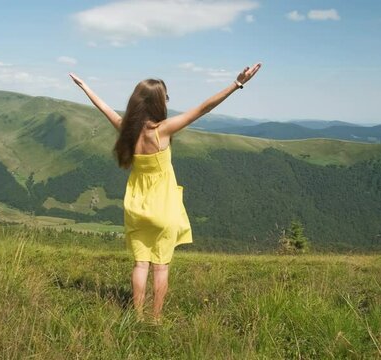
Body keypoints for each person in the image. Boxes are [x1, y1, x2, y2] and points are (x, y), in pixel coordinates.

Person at [68, 63, 262, 322]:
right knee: (161, 267)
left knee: (140, 264)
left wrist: (85, 87)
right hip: (164, 208)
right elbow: (203, 108)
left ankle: (137, 317)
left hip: (137, 207)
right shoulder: (164, 131)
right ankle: (155, 319)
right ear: (158, 101)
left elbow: (103, 107)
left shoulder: (126, 128)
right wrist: (237, 84)